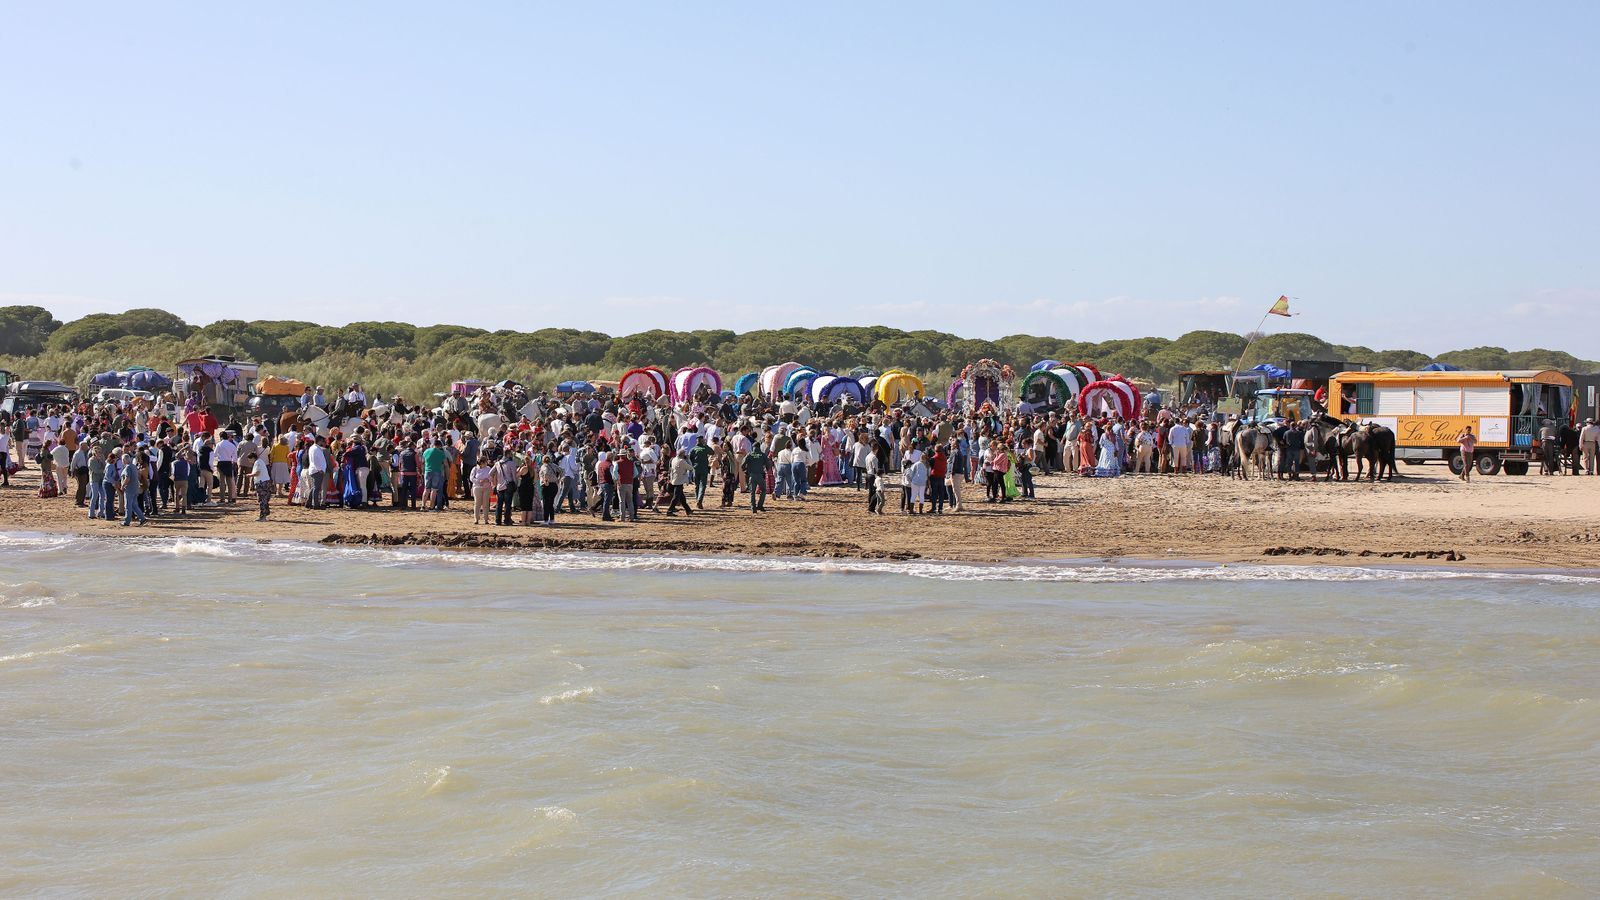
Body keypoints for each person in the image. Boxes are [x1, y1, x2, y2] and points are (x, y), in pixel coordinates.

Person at [743, 446, 771, 512]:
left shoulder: (749, 454)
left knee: (752, 492)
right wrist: (767, 469)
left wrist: (745, 470)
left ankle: (753, 507)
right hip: (760, 475)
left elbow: (743, 465)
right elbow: (768, 464)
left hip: (751, 475)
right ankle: (760, 505)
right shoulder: (763, 455)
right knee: (763, 490)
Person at [469, 457, 494, 524]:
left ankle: (486, 519)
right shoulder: (475, 469)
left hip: (486, 487)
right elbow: (471, 478)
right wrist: (479, 481)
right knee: (477, 503)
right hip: (477, 487)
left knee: (486, 504)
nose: (486, 463)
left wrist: (487, 480)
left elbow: (491, 477)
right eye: (485, 462)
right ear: (482, 463)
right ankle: (476, 519)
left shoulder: (488, 468)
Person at [250, 451, 273, 520]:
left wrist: (249, 475)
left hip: (261, 483)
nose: (250, 461)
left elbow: (257, 473)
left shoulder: (257, 463)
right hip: (266, 482)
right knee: (265, 499)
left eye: (250, 459)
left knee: (262, 500)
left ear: (253, 458)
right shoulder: (260, 461)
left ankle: (263, 516)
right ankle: (266, 513)